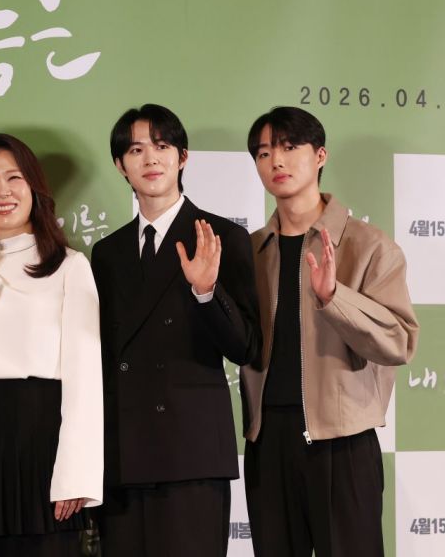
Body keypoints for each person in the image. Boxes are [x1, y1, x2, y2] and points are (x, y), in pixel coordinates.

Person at [240, 106, 419, 557]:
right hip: (268, 443)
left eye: (288, 147)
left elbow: (400, 341)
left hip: (343, 443)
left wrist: (333, 298)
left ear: (320, 155)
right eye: (263, 153)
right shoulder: (251, 252)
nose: (275, 161)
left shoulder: (368, 245)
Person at [90, 103, 261, 556]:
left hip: (191, 453)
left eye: (162, 146)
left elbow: (246, 347)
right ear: (120, 165)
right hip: (122, 454)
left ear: (182, 157)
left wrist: (206, 292)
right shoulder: (107, 253)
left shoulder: (221, 236)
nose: (150, 159)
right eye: (136, 150)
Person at [0, 133, 103, 557]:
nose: (2, 191)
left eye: (14, 178)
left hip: (43, 448)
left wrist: (75, 475)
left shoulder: (69, 266)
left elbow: (86, 379)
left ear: (35, 187)